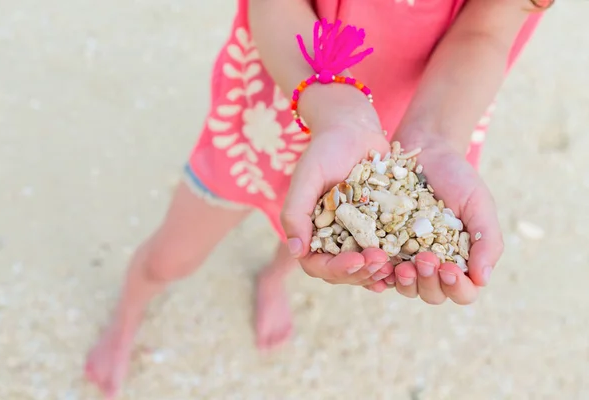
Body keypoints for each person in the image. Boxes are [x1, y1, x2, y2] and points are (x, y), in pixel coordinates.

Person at [85, 0, 553, 397]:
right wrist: (338, 115)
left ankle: (274, 276)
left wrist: (435, 138)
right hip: (286, 95)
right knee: (172, 255)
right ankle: (130, 309)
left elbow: (487, 29)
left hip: (415, 114)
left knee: (322, 224)